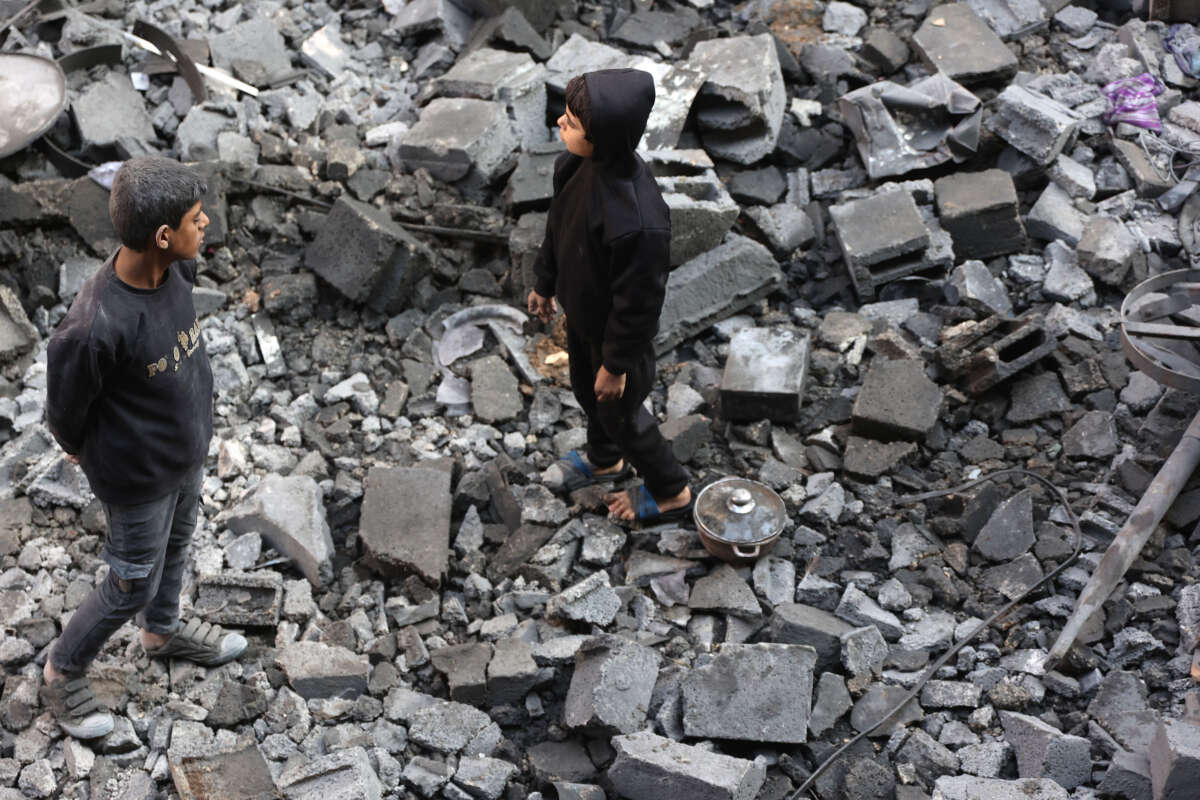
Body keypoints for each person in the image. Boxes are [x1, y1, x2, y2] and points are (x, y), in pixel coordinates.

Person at [41, 156, 246, 739]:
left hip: (184, 453)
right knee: (131, 580)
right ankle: (62, 671)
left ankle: (162, 632)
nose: (205, 225)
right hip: (135, 477)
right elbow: (65, 411)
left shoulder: (176, 271)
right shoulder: (96, 324)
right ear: (163, 236)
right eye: (195, 219)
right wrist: (82, 448)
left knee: (177, 546)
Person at [529, 69, 692, 523]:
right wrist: (545, 282)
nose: (560, 124)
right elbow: (557, 231)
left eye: (572, 123)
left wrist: (617, 364)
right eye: (565, 115)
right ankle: (605, 461)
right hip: (583, 319)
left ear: (605, 137)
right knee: (586, 391)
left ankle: (670, 490)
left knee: (622, 413)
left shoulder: (638, 220)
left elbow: (640, 302)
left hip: (617, 338)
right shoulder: (574, 167)